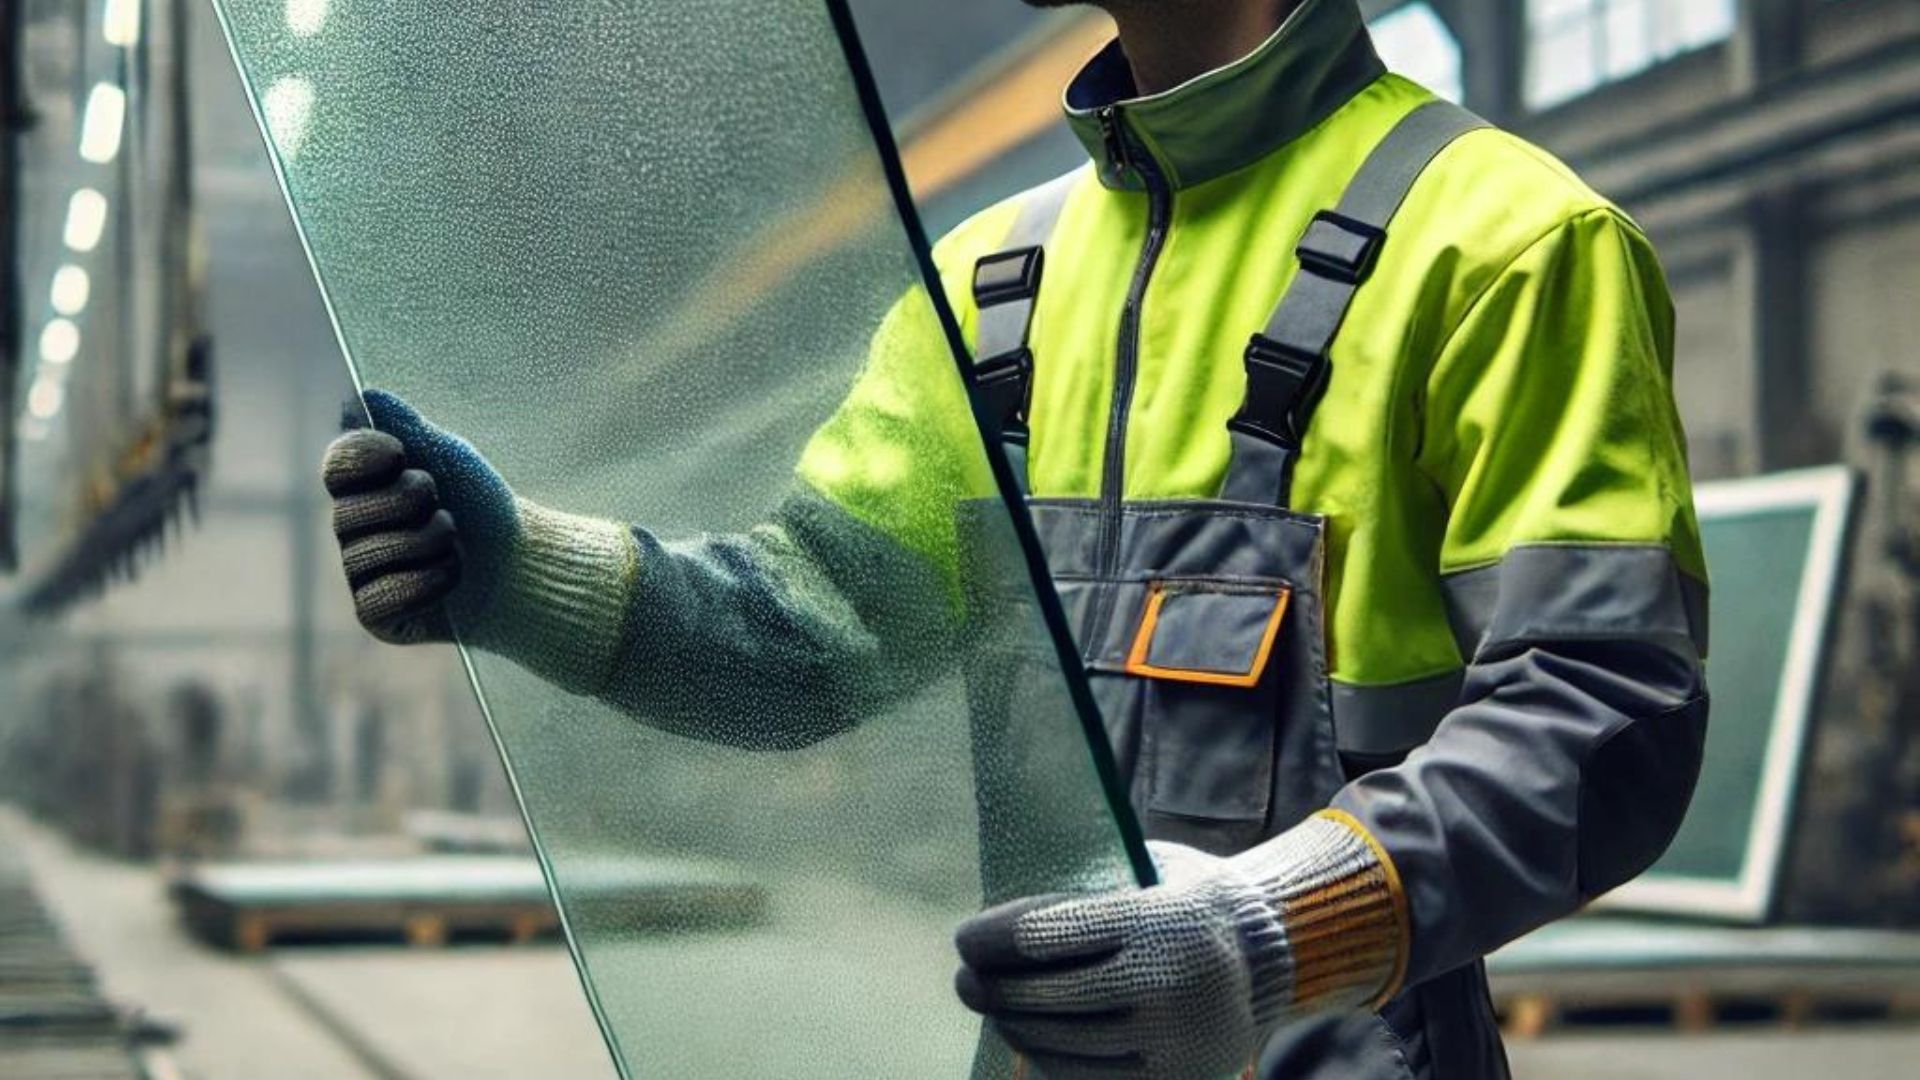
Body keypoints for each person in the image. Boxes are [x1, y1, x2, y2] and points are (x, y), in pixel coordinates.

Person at [320, 0, 1708, 1076]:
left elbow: (1603, 710)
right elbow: (808, 636)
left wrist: (1272, 935)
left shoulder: (1511, 246)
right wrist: (515, 576)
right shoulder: (995, 286)